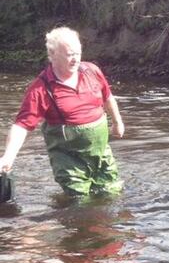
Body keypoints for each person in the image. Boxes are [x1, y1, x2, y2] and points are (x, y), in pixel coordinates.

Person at [0, 27, 125, 196]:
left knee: (111, 193)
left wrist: (117, 122)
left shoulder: (92, 71)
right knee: (80, 201)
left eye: (78, 53)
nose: (75, 60)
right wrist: (8, 157)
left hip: (101, 151)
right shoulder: (41, 88)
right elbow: (21, 126)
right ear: (52, 55)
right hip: (69, 159)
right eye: (69, 54)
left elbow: (108, 97)